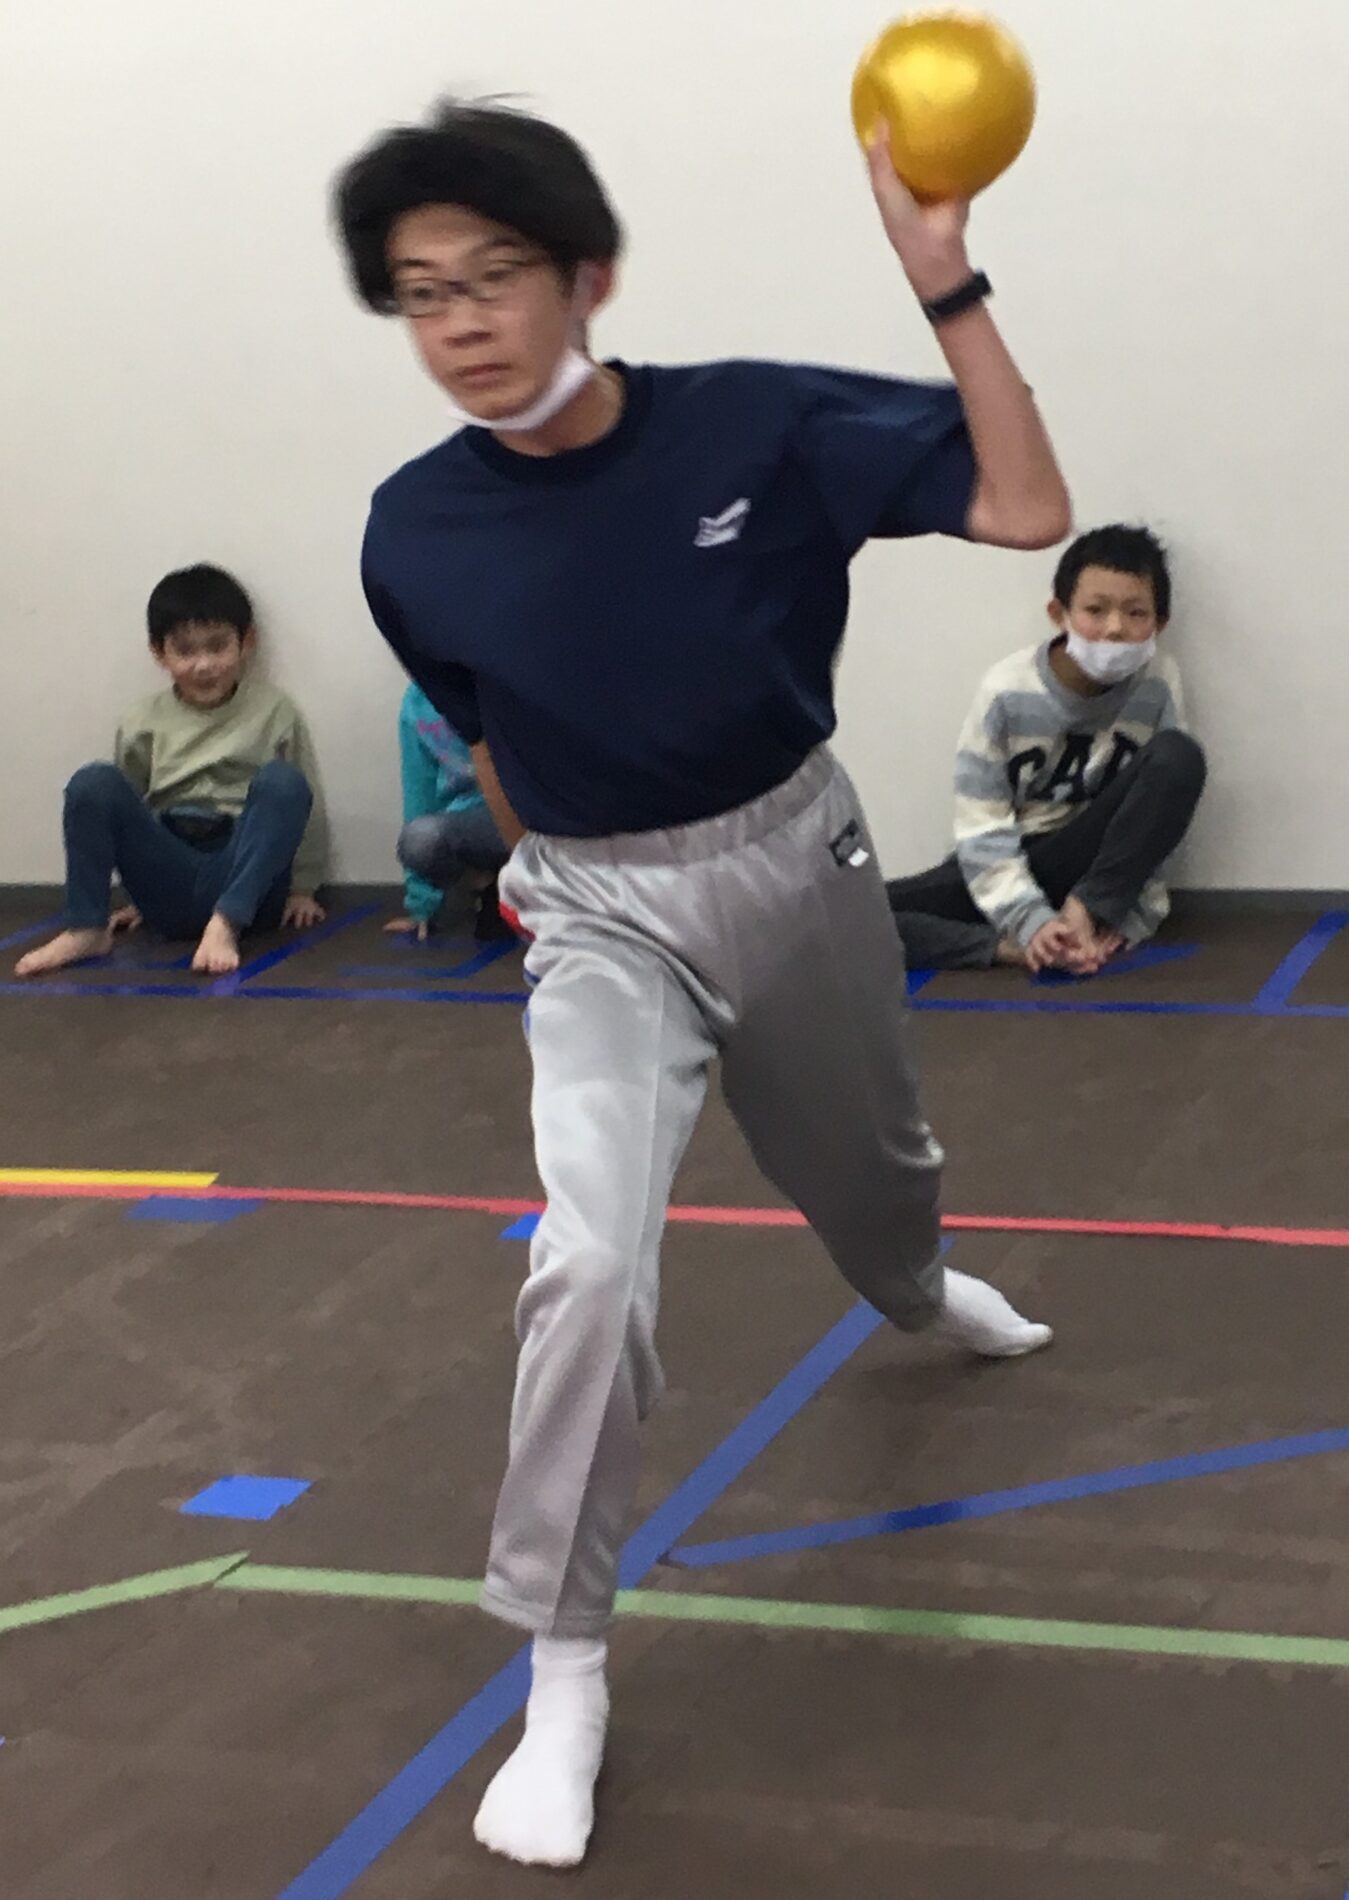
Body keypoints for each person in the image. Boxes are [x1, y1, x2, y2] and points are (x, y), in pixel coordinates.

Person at [334, 95, 1071, 1868]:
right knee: (587, 1263)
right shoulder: (411, 530)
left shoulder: (754, 422)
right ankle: (563, 1664)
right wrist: (551, 877)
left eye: (493, 277)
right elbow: (486, 725)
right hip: (598, 911)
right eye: (421, 294)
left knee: (874, 1187)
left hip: (794, 862)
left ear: (587, 276)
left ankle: (917, 1290)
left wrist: (942, 277)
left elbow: (1026, 504)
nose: (459, 325)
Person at [885, 525, 1205, 975]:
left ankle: (1081, 914)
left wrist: (1122, 916)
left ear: (1160, 622)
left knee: (1179, 756)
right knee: (853, 915)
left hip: (1093, 862)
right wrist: (1029, 923)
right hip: (1014, 862)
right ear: (1059, 613)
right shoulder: (1005, 691)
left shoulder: (1158, 681)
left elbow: (1159, 817)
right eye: (1095, 610)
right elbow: (982, 828)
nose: (1115, 628)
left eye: (1136, 613)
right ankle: (1009, 948)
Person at [16, 564, 327, 980]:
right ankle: (86, 927)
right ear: (159, 653)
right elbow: (126, 811)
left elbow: (305, 806)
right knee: (93, 783)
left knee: (284, 783)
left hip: (246, 880)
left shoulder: (274, 710)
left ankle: (225, 926)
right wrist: (137, 896)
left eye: (217, 647)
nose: (203, 665)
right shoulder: (142, 720)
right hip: (170, 871)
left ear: (246, 641)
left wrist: (303, 887)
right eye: (186, 651)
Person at [384, 680, 510, 942]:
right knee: (419, 839)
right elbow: (419, 792)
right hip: (473, 822)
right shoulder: (417, 702)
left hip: (528, 817)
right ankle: (489, 885)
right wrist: (421, 906)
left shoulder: (506, 681)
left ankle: (524, 887)